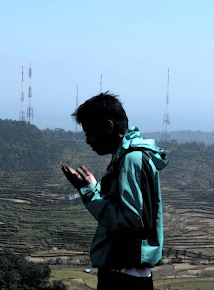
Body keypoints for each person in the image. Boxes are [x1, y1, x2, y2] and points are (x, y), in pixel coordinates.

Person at [61, 92, 167, 290]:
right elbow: (125, 207)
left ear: (108, 127)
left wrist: (89, 192)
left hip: (124, 276)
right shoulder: (125, 158)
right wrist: (94, 188)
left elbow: (132, 221)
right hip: (124, 271)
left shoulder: (131, 160)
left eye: (89, 132)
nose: (88, 140)